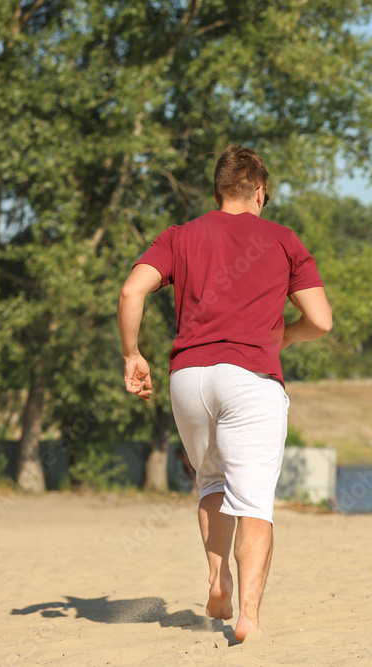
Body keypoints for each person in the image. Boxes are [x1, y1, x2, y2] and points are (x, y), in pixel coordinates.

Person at [117, 144, 332, 643]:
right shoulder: (281, 239)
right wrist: (285, 335)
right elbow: (320, 320)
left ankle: (217, 580)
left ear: (217, 192)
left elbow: (131, 291)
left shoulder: (179, 236)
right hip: (250, 378)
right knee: (254, 501)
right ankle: (248, 618)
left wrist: (132, 355)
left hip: (189, 379)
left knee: (211, 482)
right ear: (259, 191)